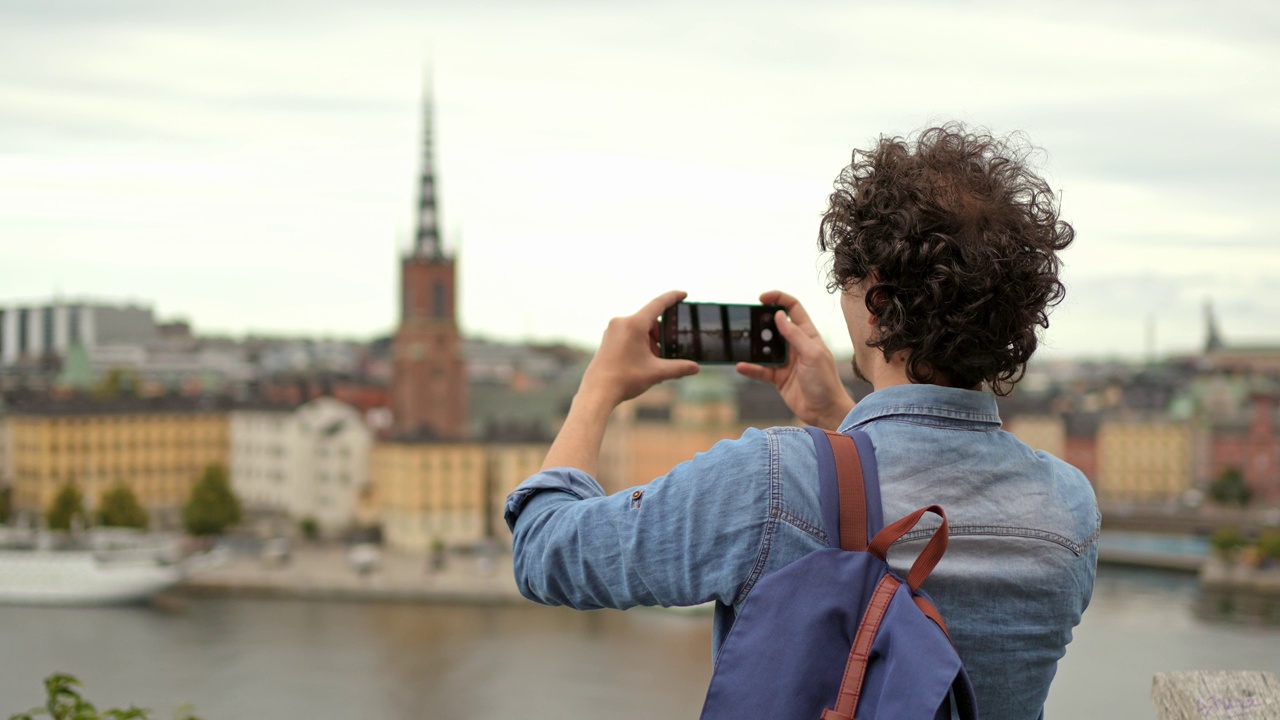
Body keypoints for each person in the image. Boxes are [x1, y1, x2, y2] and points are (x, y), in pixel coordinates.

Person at [504, 124, 1098, 720]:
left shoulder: (768, 481)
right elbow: (921, 495)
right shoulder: (1067, 508)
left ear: (877, 304)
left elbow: (544, 551)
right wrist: (835, 418)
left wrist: (598, 387)